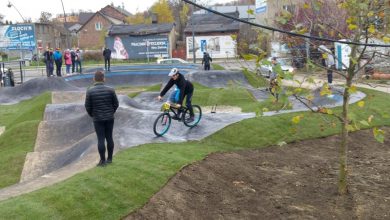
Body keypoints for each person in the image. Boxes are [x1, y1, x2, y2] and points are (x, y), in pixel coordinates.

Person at [85, 71, 119, 167]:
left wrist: (93, 114)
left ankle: (103, 161)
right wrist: (111, 112)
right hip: (109, 118)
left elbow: (87, 106)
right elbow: (116, 104)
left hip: (98, 119)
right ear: (104, 79)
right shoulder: (111, 90)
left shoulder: (90, 91)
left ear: (94, 79)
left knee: (100, 139)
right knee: (109, 137)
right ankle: (110, 159)